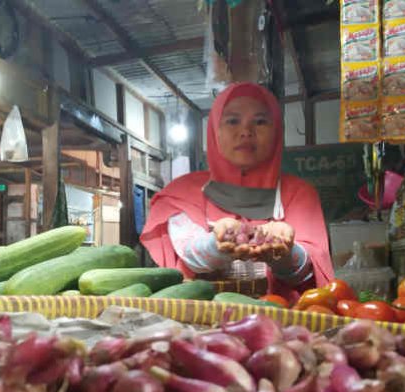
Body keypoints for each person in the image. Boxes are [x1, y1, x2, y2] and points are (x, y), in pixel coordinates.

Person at [140, 82, 334, 299]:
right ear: (215, 131)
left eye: (260, 122)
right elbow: (188, 254)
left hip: (281, 321)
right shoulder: (183, 191)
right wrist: (217, 244)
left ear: (277, 132)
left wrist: (284, 251)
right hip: (199, 321)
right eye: (232, 121)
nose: (246, 132)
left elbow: (309, 271)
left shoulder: (299, 194)